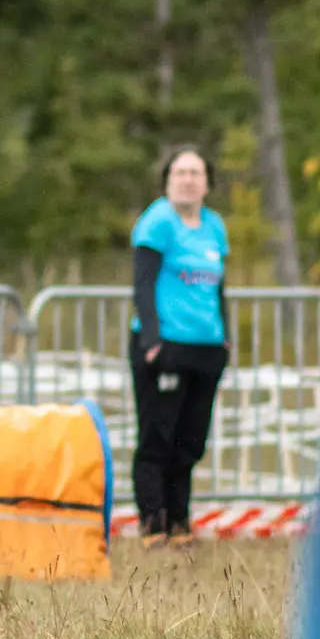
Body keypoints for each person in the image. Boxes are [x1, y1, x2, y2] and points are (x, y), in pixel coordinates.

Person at [129, 145, 231, 549]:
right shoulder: (157, 223)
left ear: (207, 182)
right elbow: (143, 283)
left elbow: (219, 286)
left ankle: (180, 521)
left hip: (205, 347)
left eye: (195, 172)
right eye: (180, 172)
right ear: (168, 179)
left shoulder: (214, 227)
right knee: (158, 436)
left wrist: (225, 338)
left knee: (190, 439)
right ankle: (153, 523)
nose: (188, 179)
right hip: (165, 345)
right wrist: (152, 341)